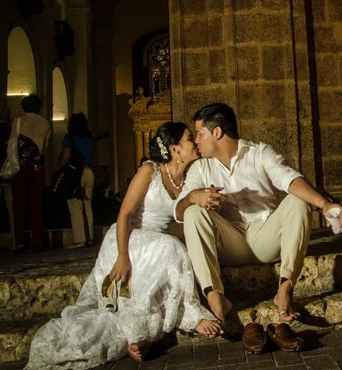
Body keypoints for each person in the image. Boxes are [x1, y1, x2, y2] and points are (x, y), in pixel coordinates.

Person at [27, 122, 221, 369]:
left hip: (155, 246)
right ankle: (191, 316)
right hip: (127, 239)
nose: (194, 141)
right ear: (175, 149)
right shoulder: (149, 171)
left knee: (168, 253)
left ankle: (142, 337)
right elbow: (124, 215)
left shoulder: (188, 178)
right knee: (172, 247)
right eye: (188, 138)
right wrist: (122, 257)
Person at [174, 103, 342, 336]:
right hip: (228, 242)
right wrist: (194, 196)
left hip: (266, 238)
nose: (196, 141)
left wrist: (324, 205)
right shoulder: (199, 169)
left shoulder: (259, 153)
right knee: (193, 211)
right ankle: (215, 296)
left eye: (200, 134)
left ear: (217, 133)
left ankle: (284, 289)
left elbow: (290, 180)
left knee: (297, 201)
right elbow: (179, 212)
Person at [10, 94, 51, 254]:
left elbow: (12, 143)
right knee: (36, 205)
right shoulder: (45, 124)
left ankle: (20, 243)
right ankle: (37, 242)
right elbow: (45, 146)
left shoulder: (18, 122)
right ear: (39, 107)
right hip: (37, 168)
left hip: (20, 168)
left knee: (19, 206)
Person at [58, 113, 95, 248]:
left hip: (75, 174)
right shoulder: (89, 138)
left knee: (75, 207)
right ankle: (90, 237)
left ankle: (80, 239)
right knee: (88, 206)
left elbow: (66, 156)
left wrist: (59, 169)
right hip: (89, 171)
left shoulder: (69, 139)